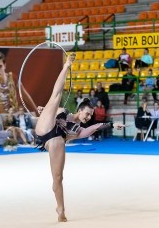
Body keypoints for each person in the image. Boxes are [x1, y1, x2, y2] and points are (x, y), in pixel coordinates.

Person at [34, 53, 125, 222]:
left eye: (91, 115)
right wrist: (44, 110)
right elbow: (56, 109)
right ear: (80, 110)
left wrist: (112, 125)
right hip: (46, 126)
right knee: (55, 98)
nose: (88, 117)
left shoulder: (76, 131)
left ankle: (60, 209)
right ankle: (67, 65)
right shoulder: (65, 112)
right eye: (87, 114)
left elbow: (92, 128)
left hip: (55, 139)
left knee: (58, 177)